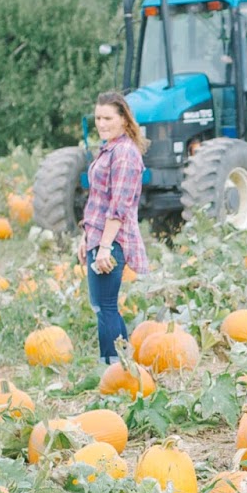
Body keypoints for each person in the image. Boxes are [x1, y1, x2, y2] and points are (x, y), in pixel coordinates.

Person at [80, 91, 148, 365]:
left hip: (113, 241)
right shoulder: (110, 149)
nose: (101, 123)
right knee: (102, 305)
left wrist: (105, 247)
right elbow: (97, 199)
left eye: (108, 118)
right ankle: (122, 365)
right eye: (98, 118)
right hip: (99, 237)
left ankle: (113, 367)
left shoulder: (124, 154)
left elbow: (118, 206)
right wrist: (86, 238)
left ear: (123, 119)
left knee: (105, 305)